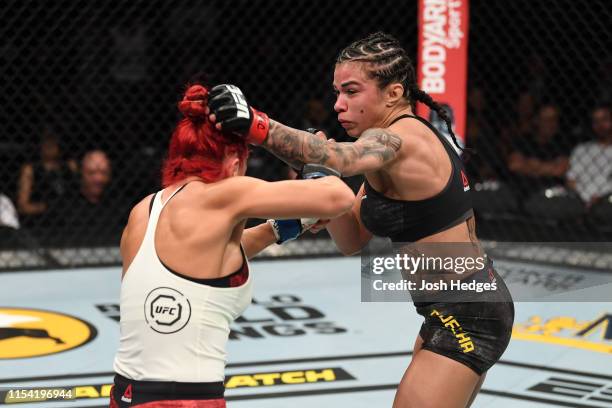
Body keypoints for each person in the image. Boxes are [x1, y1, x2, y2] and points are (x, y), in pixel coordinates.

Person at [207, 32, 514, 408]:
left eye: (351, 92)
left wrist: (257, 125)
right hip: (446, 309)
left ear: (393, 93)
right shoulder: (384, 151)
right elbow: (351, 238)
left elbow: (342, 158)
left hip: (470, 313)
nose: (338, 104)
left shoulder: (402, 140)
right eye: (337, 93)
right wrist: (318, 179)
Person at [110, 84, 354, 407]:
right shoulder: (226, 195)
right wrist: (316, 157)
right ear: (232, 159)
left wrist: (278, 229)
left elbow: (200, 265)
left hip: (124, 395)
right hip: (186, 401)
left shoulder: (143, 211)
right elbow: (339, 196)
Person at [566, 103, 612, 206]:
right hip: (579, 202)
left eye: (605, 119)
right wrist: (583, 200)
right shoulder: (581, 149)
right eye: (596, 121)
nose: (600, 125)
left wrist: (600, 198)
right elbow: (571, 180)